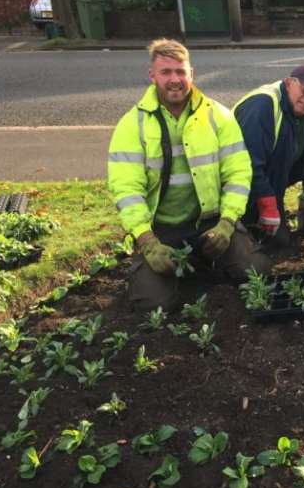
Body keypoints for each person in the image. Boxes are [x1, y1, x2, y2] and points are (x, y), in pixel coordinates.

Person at [107, 39, 271, 311]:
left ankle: (203, 260)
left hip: (210, 225)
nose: (175, 80)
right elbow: (126, 190)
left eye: (181, 72)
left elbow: (239, 174)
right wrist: (147, 241)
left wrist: (227, 223)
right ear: (152, 76)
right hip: (161, 231)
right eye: (166, 72)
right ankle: (180, 268)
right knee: (151, 304)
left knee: (256, 272)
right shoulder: (131, 125)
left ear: (192, 74)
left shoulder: (218, 115)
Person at [233, 65, 304, 246]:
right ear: (288, 84)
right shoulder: (261, 107)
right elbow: (247, 165)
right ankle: (249, 223)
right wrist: (267, 204)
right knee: (277, 243)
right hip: (244, 182)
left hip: (279, 170)